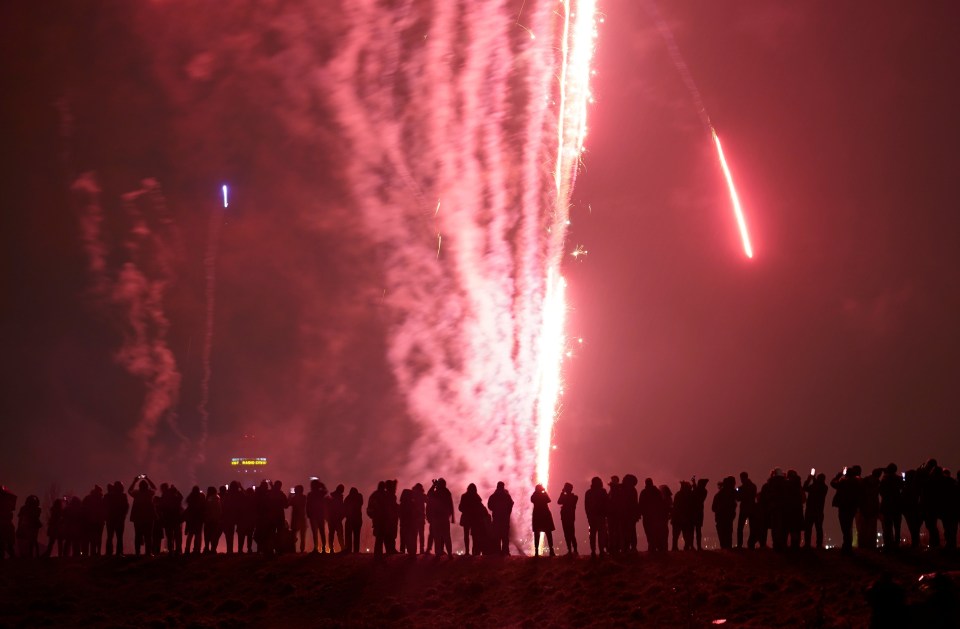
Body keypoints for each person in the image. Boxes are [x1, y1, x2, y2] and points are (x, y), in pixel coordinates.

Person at [831, 466, 860, 553]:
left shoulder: (843, 482)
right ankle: (848, 546)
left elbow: (833, 483)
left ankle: (846, 546)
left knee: (845, 527)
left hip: (843, 506)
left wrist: (838, 475)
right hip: (852, 507)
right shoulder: (857, 482)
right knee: (848, 526)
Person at [128, 475, 157, 556]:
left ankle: (138, 552)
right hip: (149, 517)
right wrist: (147, 478)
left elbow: (129, 490)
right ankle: (148, 552)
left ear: (140, 486)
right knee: (148, 535)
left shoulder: (136, 493)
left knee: (138, 535)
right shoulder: (149, 493)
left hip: (138, 518)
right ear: (147, 486)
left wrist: (135, 481)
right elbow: (154, 488)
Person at [878, 464, 902, 552]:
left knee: (888, 526)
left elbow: (880, 490)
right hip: (897, 505)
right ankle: (897, 544)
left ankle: (888, 545)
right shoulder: (899, 479)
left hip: (887, 505)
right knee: (897, 526)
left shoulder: (885, 479)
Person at [427, 478, 454, 557]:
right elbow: (450, 504)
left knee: (437, 536)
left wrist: (434, 485)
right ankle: (449, 554)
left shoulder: (436, 493)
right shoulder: (447, 492)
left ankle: (438, 554)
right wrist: (452, 516)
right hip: (444, 518)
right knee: (446, 536)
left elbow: (428, 494)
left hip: (436, 518)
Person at [458, 483, 486, 556]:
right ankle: (474, 552)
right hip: (474, 518)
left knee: (466, 535)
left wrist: (466, 511)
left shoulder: (464, 496)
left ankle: (467, 551)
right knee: (474, 535)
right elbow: (481, 508)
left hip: (466, 518)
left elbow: (460, 507)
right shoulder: (476, 497)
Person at [584, 477, 608, 557]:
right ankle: (601, 551)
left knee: (592, 535)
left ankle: (593, 551)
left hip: (592, 517)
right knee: (601, 534)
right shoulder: (603, 491)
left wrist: (588, 516)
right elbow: (606, 503)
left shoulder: (588, 492)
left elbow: (586, 506)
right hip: (601, 516)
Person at [487, 481, 514, 555]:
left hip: (496, 518)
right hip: (505, 519)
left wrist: (495, 510)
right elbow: (511, 505)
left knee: (497, 536)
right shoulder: (507, 496)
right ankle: (505, 551)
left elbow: (489, 506)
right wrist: (508, 513)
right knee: (505, 536)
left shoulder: (493, 496)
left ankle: (497, 551)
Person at [802, 472, 828, 549]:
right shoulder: (824, 487)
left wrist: (809, 479)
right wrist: (814, 479)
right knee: (819, 528)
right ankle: (819, 545)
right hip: (819, 511)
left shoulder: (814, 486)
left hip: (810, 510)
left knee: (808, 529)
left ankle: (807, 544)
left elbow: (804, 488)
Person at [712, 477, 737, 549]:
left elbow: (713, 508)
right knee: (728, 535)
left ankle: (725, 549)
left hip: (721, 518)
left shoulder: (718, 495)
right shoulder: (731, 494)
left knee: (723, 536)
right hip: (727, 518)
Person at [104, 482, 129, 556]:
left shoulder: (107, 496)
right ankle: (119, 552)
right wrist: (123, 516)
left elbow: (104, 507)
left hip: (110, 519)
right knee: (119, 537)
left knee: (110, 536)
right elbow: (126, 507)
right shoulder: (123, 496)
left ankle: (109, 552)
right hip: (119, 519)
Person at [530, 484, 555, 557]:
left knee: (537, 534)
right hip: (544, 515)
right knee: (548, 533)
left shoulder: (534, 495)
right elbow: (549, 500)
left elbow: (532, 499)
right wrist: (544, 492)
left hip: (538, 515)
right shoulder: (542, 495)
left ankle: (537, 552)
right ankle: (551, 551)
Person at [81, 485, 106, 556]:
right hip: (97, 522)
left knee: (90, 538)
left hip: (90, 522)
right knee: (96, 538)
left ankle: (89, 553)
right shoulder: (101, 500)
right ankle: (95, 553)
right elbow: (104, 511)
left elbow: (83, 509)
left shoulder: (88, 499)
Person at [736, 472, 757, 549]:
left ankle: (739, 544)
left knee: (740, 527)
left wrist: (737, 491)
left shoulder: (741, 488)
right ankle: (751, 544)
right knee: (752, 527)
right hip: (752, 508)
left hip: (744, 508)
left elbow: (738, 498)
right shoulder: (753, 486)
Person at [221, 481, 243, 554]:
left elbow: (223, 505)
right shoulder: (240, 494)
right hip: (239, 516)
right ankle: (240, 550)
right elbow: (246, 496)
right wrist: (241, 487)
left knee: (229, 535)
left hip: (229, 516)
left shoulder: (227, 494)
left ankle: (229, 550)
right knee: (240, 534)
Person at [557, 482, 578, 555]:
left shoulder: (573, 497)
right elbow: (559, 502)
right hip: (569, 517)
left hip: (567, 517)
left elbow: (559, 501)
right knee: (570, 534)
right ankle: (572, 550)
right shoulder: (574, 497)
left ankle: (573, 550)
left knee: (569, 534)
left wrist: (562, 493)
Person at [184, 485, 206, 554]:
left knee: (190, 535)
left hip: (191, 519)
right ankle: (197, 549)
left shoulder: (190, 498)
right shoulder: (201, 498)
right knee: (198, 535)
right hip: (199, 519)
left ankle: (187, 549)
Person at [326, 484, 345, 553]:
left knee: (331, 534)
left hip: (332, 519)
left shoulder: (331, 496)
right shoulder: (339, 497)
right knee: (339, 534)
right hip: (336, 519)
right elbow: (342, 508)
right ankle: (342, 548)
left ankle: (331, 549)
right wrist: (341, 516)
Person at [343, 487, 364, 553]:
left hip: (350, 520)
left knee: (349, 536)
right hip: (357, 520)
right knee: (356, 536)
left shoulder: (348, 499)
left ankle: (349, 550)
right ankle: (356, 551)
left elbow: (344, 509)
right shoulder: (359, 497)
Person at [692, 478, 709, 551]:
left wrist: (694, 485)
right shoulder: (704, 491)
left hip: (694, 512)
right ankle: (697, 546)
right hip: (698, 512)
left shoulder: (702, 491)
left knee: (694, 529)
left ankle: (693, 545)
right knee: (698, 529)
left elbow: (695, 496)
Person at [203, 486, 222, 553]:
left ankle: (207, 548)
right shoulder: (218, 498)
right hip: (216, 520)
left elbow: (206, 509)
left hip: (209, 520)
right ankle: (213, 549)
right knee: (214, 535)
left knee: (207, 535)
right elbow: (219, 510)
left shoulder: (209, 499)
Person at [289, 484, 307, 553]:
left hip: (296, 519)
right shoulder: (304, 497)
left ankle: (293, 550)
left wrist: (290, 495)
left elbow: (288, 504)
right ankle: (301, 550)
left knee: (293, 536)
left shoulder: (294, 498)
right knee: (302, 536)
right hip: (301, 518)